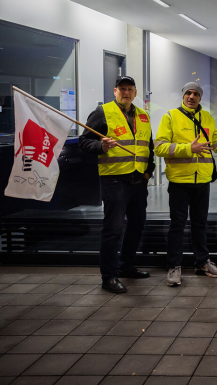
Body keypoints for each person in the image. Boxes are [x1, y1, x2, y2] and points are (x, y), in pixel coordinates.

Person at [154, 82, 217, 287]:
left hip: (202, 180)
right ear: (183, 96)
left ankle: (202, 262)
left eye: (195, 94)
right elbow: (159, 147)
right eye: (188, 93)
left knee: (200, 225)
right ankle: (174, 266)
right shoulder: (170, 117)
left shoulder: (208, 118)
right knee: (177, 225)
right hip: (179, 181)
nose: (191, 97)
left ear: (200, 98)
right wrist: (188, 148)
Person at [79, 76, 154, 294]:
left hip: (138, 179)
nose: (126, 93)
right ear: (115, 91)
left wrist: (149, 171)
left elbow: (147, 144)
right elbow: (84, 141)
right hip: (114, 180)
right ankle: (109, 277)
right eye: (122, 89)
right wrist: (101, 146)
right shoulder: (102, 113)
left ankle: (126, 266)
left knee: (137, 224)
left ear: (135, 92)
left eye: (130, 89)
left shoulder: (143, 115)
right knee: (113, 229)